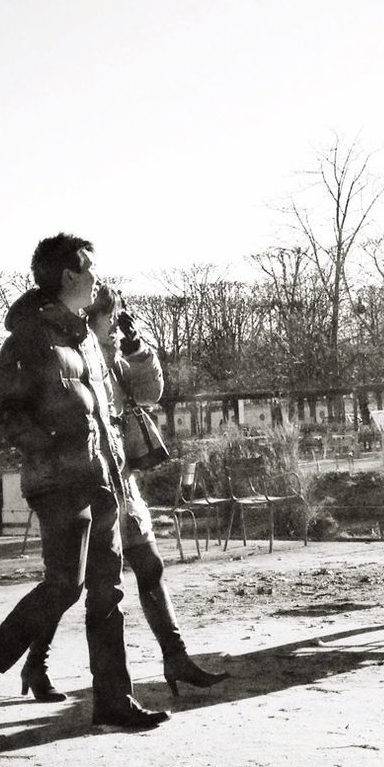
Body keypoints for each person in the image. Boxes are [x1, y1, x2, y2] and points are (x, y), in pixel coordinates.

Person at [0, 233, 167, 732]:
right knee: (65, 586)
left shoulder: (82, 339)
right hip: (57, 481)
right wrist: (51, 443)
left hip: (100, 480)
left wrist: (112, 469)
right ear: (69, 275)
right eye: (90, 269)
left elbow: (106, 411)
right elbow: (4, 413)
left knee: (107, 593)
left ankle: (114, 700)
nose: (97, 278)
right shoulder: (28, 339)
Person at [22, 284, 227, 699]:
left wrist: (136, 349)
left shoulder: (112, 362)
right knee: (70, 586)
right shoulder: (74, 360)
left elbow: (152, 392)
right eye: (111, 318)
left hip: (121, 478)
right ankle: (35, 663)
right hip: (89, 481)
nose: (117, 326)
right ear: (89, 320)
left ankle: (176, 655)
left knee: (149, 566)